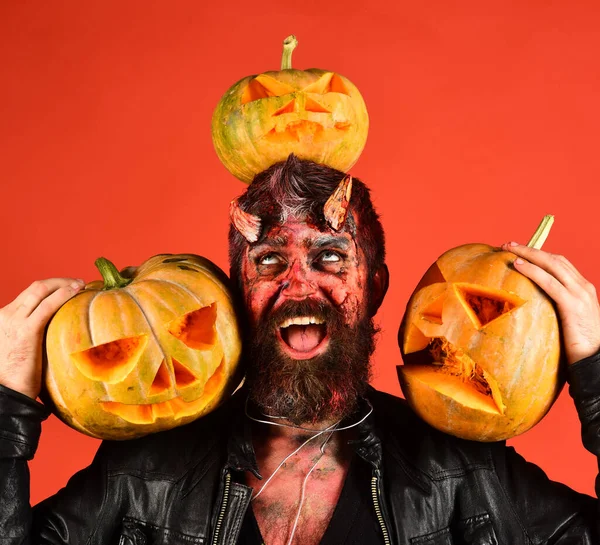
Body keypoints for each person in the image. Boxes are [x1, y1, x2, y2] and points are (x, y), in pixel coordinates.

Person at [1, 155, 599, 544]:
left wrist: (594, 374)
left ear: (377, 287)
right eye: (269, 261)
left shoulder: (462, 471)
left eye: (331, 256)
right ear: (238, 291)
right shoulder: (144, 471)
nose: (299, 285)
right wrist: (5, 407)